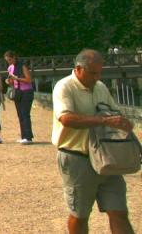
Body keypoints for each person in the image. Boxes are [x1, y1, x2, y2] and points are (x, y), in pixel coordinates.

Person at [52, 49, 134, 234]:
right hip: (77, 157)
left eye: (99, 72)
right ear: (79, 69)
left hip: (106, 158)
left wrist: (121, 122)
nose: (97, 77)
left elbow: (114, 112)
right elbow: (66, 119)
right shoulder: (64, 87)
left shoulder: (100, 87)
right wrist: (103, 120)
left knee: (119, 212)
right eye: (93, 73)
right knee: (80, 214)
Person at [5, 50, 35, 144]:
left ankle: (28, 137)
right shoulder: (10, 68)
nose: (9, 62)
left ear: (14, 57)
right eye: (7, 60)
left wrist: (17, 78)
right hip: (17, 92)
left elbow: (29, 80)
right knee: (20, 114)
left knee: (25, 114)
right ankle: (24, 136)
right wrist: (9, 81)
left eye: (10, 59)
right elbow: (11, 82)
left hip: (26, 92)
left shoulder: (22, 66)